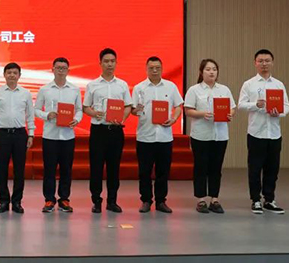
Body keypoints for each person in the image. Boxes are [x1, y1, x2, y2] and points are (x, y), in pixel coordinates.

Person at [238, 49, 289, 214]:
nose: (264, 64)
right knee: (255, 168)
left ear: (272, 63)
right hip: (256, 133)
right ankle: (255, 200)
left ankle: (269, 199)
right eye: (260, 61)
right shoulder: (249, 84)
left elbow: (287, 106)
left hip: (274, 133)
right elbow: (241, 105)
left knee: (272, 168)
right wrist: (256, 105)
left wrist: (278, 113)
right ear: (255, 63)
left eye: (267, 60)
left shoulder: (278, 84)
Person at [131, 56, 183, 214]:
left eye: (157, 68)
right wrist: (137, 110)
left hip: (164, 137)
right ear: (146, 69)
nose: (154, 70)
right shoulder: (139, 88)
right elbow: (132, 110)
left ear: (162, 69)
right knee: (144, 172)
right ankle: (146, 200)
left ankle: (161, 201)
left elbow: (179, 105)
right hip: (145, 136)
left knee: (163, 171)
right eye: (151, 68)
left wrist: (174, 118)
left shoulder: (170, 87)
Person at [83, 48, 132, 214]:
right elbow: (85, 107)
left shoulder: (122, 85)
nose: (109, 64)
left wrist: (122, 118)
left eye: (112, 61)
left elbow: (128, 106)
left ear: (116, 63)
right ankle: (96, 200)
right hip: (98, 131)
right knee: (96, 167)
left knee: (114, 167)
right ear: (100, 63)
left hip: (116, 131)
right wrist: (94, 113)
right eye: (106, 61)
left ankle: (112, 201)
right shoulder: (92, 85)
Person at [183, 59, 236, 214]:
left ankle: (214, 199)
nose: (211, 72)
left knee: (216, 167)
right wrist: (202, 114)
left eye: (214, 69)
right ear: (201, 72)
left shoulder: (224, 89)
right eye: (208, 69)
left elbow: (232, 107)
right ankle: (200, 199)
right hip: (201, 135)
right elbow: (188, 110)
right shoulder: (194, 90)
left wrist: (230, 114)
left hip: (220, 135)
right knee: (201, 167)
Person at [35, 57, 83, 213]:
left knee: (66, 169)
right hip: (50, 136)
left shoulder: (74, 89)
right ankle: (49, 199)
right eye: (58, 68)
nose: (61, 70)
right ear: (53, 70)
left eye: (64, 68)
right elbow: (36, 110)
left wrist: (76, 120)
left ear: (68, 70)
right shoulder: (45, 89)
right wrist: (47, 115)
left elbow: (79, 110)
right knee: (49, 169)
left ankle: (64, 199)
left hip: (68, 136)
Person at [0, 62, 35, 214]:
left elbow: (30, 115)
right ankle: (3, 201)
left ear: (19, 75)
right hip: (2, 134)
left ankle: (17, 202)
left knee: (19, 170)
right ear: (4, 75)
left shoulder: (25, 93)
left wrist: (31, 133)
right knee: (1, 169)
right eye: (9, 72)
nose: (12, 75)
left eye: (15, 73)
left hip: (20, 134)